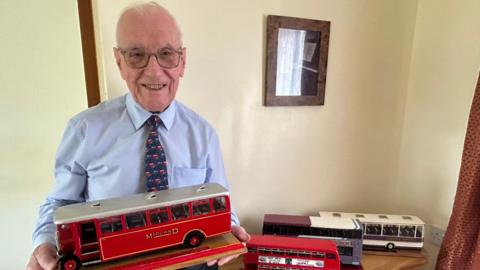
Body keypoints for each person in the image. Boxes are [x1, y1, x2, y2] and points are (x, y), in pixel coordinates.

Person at [26, 2, 250, 269]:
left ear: (182, 61)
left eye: (166, 53)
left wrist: (230, 229)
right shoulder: (84, 130)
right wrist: (45, 243)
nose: (154, 70)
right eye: (136, 54)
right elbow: (61, 203)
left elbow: (219, 201)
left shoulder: (203, 134)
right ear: (119, 62)